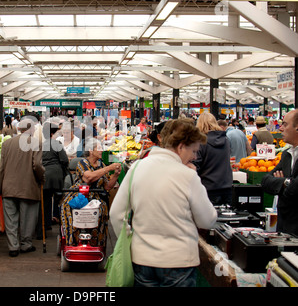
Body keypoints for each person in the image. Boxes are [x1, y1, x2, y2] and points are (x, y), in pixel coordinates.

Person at [110, 118, 217, 287]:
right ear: (181, 147)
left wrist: (132, 241)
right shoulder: (188, 176)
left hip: (142, 260)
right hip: (179, 262)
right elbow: (207, 220)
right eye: (193, 150)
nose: (195, 157)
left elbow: (116, 214)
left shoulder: (137, 168)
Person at [0, 116, 45, 257]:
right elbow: (37, 165)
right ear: (30, 130)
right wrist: (42, 177)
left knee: (10, 219)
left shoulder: (7, 144)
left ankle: (13, 246)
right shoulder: (36, 143)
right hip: (28, 186)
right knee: (28, 218)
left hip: (8, 187)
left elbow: (2, 168)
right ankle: (26, 244)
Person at [60, 138, 121, 248]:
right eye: (99, 148)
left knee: (102, 210)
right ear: (91, 150)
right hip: (79, 195)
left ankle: (96, 244)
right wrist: (109, 168)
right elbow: (89, 178)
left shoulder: (101, 165)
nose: (101, 150)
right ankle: (72, 242)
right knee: (70, 208)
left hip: (95, 196)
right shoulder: (83, 163)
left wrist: (115, 175)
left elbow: (107, 186)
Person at [261, 110, 298, 235]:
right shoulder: (287, 155)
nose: (281, 128)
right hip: (284, 228)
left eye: (285, 124)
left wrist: (283, 183)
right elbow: (265, 181)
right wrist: (287, 182)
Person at [37, 121, 69, 239]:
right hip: (56, 177)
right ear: (51, 133)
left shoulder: (40, 145)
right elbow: (65, 160)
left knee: (44, 204)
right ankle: (64, 231)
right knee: (60, 202)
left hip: (44, 176)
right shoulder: (57, 144)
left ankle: (42, 229)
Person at [193, 112, 233, 205]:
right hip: (226, 187)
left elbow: (196, 166)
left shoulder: (201, 142)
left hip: (208, 189)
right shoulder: (226, 140)